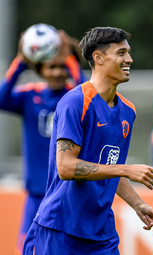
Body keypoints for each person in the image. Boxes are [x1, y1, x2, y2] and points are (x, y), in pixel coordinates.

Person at [22, 26, 153, 255]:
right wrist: (126, 169)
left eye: (128, 52)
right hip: (61, 229)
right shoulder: (75, 102)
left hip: (101, 234)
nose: (129, 59)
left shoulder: (128, 110)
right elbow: (66, 167)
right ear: (98, 57)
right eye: (121, 53)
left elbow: (109, 167)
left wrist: (138, 205)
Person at [0, 27, 87, 254]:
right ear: (40, 69)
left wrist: (69, 54)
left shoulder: (74, 97)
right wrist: (22, 59)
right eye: (52, 66)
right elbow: (2, 98)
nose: (58, 72)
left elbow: (91, 97)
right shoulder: (29, 96)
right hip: (37, 191)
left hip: (68, 192)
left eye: (62, 67)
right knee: (28, 247)